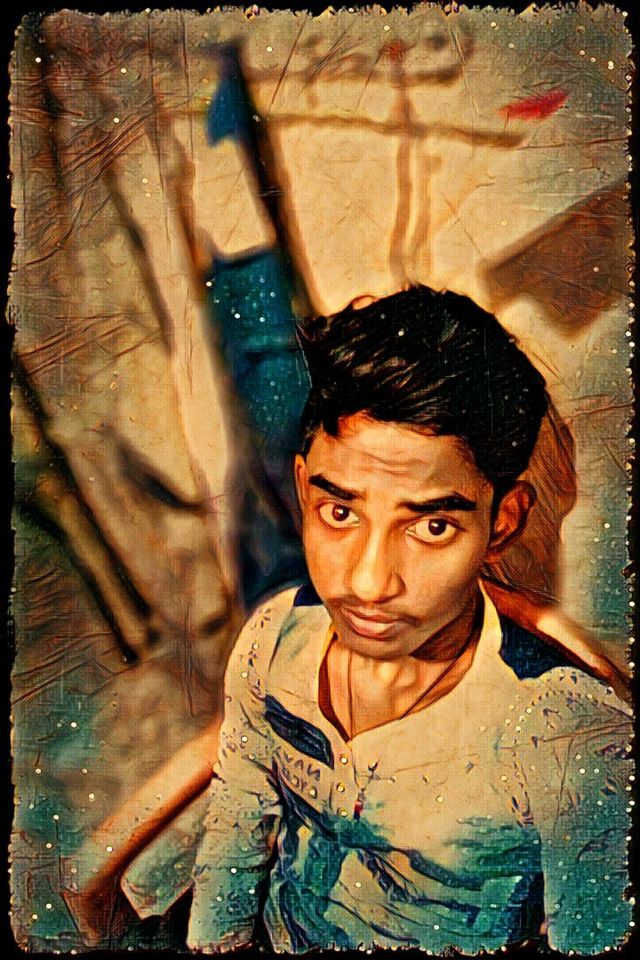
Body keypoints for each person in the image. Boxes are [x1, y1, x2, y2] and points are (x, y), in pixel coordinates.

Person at [187, 286, 632, 955]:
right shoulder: (275, 640)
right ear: (305, 490)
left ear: (502, 521)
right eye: (340, 512)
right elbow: (233, 834)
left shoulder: (563, 734)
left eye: (431, 526)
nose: (369, 583)